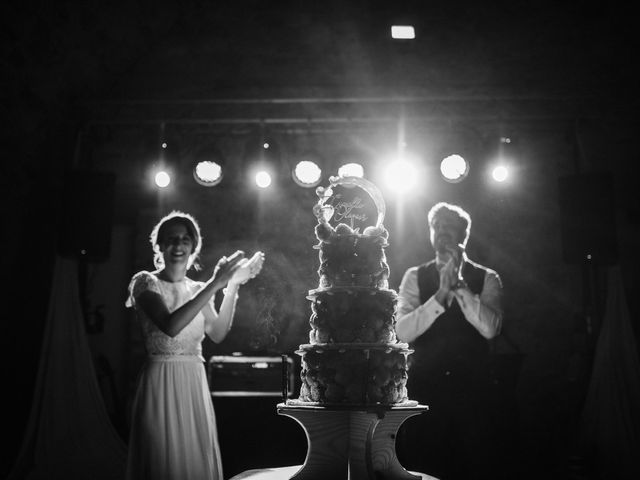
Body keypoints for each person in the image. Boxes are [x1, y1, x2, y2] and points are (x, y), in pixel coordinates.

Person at [124, 211, 265, 480]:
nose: (178, 245)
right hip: (160, 380)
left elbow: (218, 333)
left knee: (192, 457)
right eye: (171, 239)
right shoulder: (145, 282)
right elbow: (171, 326)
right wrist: (215, 283)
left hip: (193, 380)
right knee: (161, 460)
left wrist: (232, 286)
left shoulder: (198, 288)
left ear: (193, 247)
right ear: (160, 246)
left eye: (185, 239)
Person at [396, 202, 503, 480]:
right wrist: (440, 295)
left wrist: (459, 287)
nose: (441, 232)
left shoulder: (487, 277)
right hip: (426, 388)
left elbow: (491, 329)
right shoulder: (414, 276)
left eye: (449, 227)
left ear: (463, 236)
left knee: (474, 463)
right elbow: (403, 332)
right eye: (436, 227)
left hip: (473, 390)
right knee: (426, 463)